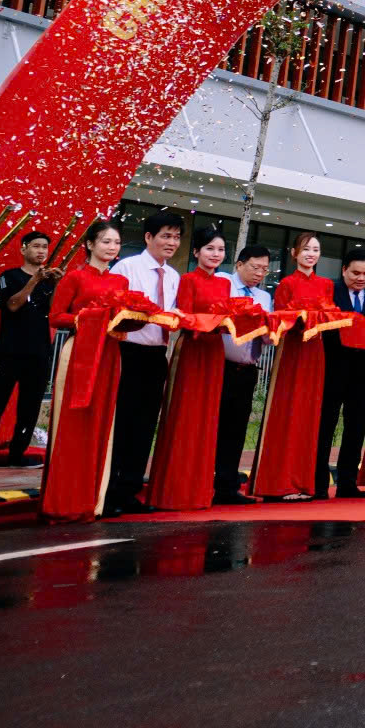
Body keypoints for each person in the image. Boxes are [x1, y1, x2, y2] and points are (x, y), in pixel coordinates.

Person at [40, 220, 130, 521]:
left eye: (116, 243)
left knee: (102, 425)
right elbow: (56, 317)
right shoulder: (74, 278)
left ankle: (92, 500)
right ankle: (63, 501)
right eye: (106, 241)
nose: (111, 248)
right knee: (72, 426)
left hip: (109, 355)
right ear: (90, 244)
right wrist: (88, 318)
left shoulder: (120, 283)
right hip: (79, 355)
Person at [145, 227, 233, 512]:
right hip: (193, 350)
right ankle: (173, 492)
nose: (215, 254)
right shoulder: (187, 279)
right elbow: (184, 316)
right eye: (209, 248)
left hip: (214, 351)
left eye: (220, 250)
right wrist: (211, 321)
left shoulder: (224, 284)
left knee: (208, 418)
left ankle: (198, 491)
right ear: (196, 252)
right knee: (184, 415)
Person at [105, 213, 186, 515]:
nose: (172, 243)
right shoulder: (127, 267)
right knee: (123, 422)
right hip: (128, 351)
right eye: (166, 235)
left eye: (176, 237)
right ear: (149, 237)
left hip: (156, 355)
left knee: (145, 424)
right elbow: (116, 310)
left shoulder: (174, 276)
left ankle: (130, 490)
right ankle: (111, 491)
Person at [251, 232, 336, 500]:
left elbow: (331, 315)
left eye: (316, 249)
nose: (311, 254)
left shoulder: (325, 284)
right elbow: (280, 319)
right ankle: (279, 482)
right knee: (286, 412)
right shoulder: (286, 283)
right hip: (292, 350)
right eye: (306, 249)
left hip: (315, 351)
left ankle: (302, 483)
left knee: (310, 415)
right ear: (294, 253)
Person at [0, 230, 55, 468]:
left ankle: (16, 455)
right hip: (9, 351)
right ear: (23, 249)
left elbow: (53, 311)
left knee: (29, 409)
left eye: (45, 247)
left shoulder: (48, 280)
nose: (41, 251)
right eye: (36, 246)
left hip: (39, 352)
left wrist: (56, 283)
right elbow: (11, 305)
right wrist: (34, 281)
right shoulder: (8, 276)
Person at [318, 250, 365, 499]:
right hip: (332, 367)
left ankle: (347, 482)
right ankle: (318, 482)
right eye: (356, 273)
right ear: (344, 269)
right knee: (326, 425)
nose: (361, 278)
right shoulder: (329, 291)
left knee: (356, 427)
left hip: (362, 371)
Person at [212, 243, 275, 503]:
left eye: (264, 269)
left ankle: (226, 487)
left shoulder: (264, 298)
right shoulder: (223, 284)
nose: (259, 273)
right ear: (238, 265)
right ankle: (203, 482)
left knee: (236, 429)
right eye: (254, 267)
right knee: (213, 427)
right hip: (220, 367)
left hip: (247, 369)